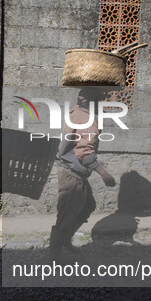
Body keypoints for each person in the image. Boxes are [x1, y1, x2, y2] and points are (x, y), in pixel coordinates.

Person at [50, 87, 116, 254]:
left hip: (73, 171)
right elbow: (85, 153)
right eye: (101, 101)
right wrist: (104, 174)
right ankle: (55, 256)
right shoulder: (87, 119)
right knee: (66, 215)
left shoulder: (76, 112)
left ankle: (65, 241)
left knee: (87, 206)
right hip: (72, 175)